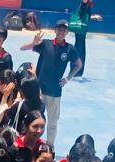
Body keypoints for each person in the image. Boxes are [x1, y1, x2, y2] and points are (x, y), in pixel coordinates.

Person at [20, 22, 79, 150]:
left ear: (67, 32)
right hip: (39, 91)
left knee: (52, 122)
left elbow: (78, 64)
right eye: (59, 29)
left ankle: (50, 146)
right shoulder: (45, 44)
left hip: (55, 93)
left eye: (64, 30)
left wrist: (68, 78)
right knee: (34, 118)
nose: (61, 32)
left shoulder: (70, 49)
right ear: (55, 30)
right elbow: (22, 48)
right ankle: (29, 143)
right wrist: (34, 42)